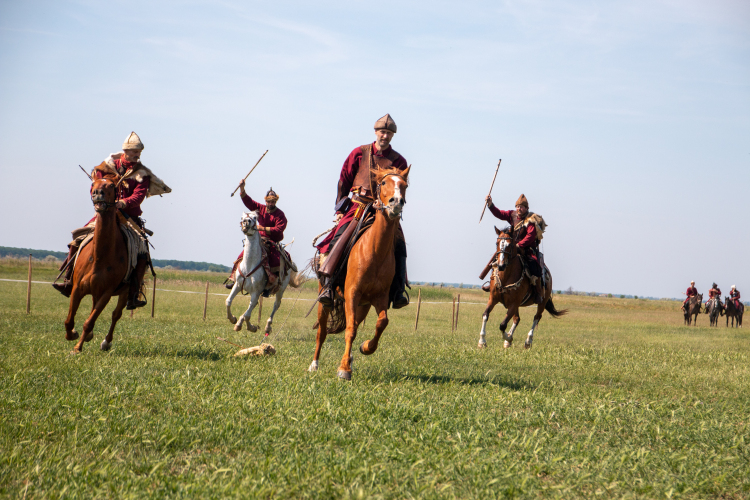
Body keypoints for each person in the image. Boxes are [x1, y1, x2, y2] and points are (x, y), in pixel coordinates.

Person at [53, 132, 170, 309]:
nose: (137, 155)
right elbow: (95, 187)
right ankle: (68, 280)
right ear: (126, 151)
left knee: (142, 251)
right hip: (104, 214)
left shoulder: (142, 174)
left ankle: (133, 294)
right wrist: (101, 200)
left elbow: (138, 196)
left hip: (128, 218)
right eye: (134, 152)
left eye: (139, 152)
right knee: (76, 240)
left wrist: (122, 203)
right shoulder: (106, 168)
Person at [316, 114, 409, 308]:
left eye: (389, 133)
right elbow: (344, 181)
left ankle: (399, 290)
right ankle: (329, 286)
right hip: (358, 207)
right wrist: (340, 209)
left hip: (385, 212)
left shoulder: (399, 160)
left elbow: (400, 188)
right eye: (383, 132)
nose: (385, 136)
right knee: (338, 239)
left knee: (400, 245)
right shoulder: (359, 153)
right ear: (376, 132)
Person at [484, 193, 547, 303]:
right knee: (497, 260)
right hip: (511, 247)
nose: (519, 209)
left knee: (534, 266)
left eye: (521, 207)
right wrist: (490, 204)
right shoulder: (511, 215)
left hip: (527, 249)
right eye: (517, 206)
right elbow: (499, 213)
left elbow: (530, 236)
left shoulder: (530, 220)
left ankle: (537, 292)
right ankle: (492, 283)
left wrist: (520, 245)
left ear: (526, 208)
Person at [225, 184, 287, 290]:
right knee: (241, 255)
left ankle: (272, 285)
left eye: (273, 202)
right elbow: (249, 202)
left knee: (275, 261)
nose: (270, 204)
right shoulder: (260, 208)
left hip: (271, 242)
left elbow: (279, 229)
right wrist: (242, 188)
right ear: (266, 201)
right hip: (258, 240)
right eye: (268, 201)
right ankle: (234, 279)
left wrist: (263, 228)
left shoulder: (280, 214)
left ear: (275, 201)